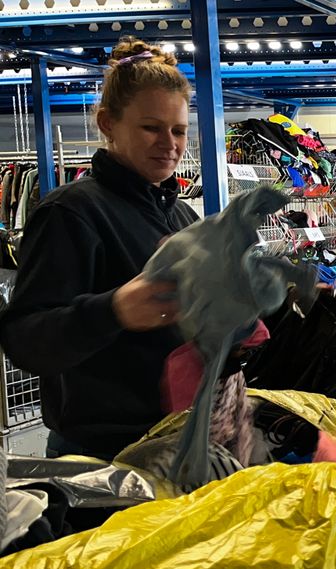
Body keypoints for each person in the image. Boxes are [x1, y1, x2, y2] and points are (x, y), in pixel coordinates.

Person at [0, 38, 196, 459]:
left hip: (180, 444)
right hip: (100, 458)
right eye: (151, 127)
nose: (170, 144)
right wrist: (115, 311)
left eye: (178, 130)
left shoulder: (182, 218)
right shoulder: (70, 213)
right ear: (108, 123)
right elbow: (23, 339)